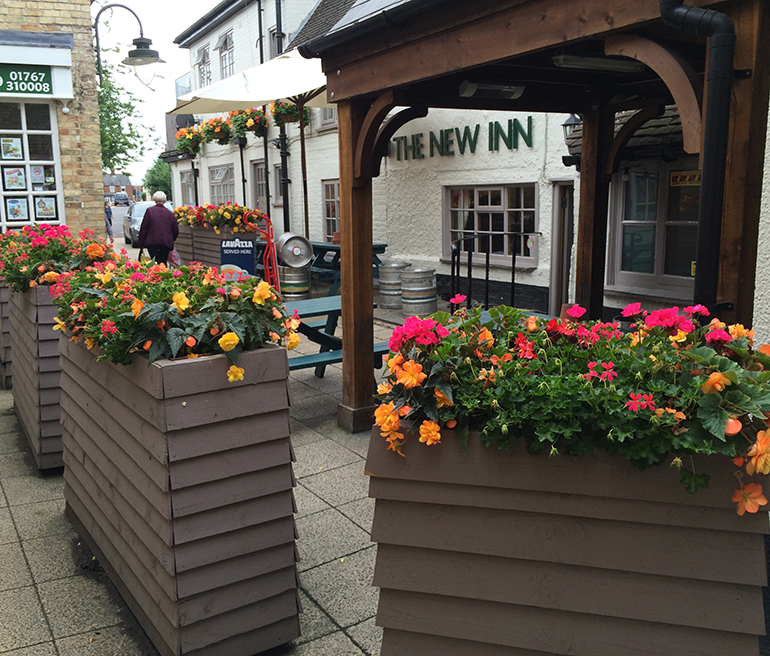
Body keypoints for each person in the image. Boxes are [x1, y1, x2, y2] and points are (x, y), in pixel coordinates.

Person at [137, 191, 178, 264]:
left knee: (155, 263)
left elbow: (144, 228)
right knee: (163, 262)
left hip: (152, 243)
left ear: (155, 200)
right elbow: (175, 230)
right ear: (165, 201)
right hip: (166, 243)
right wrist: (171, 239)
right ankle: (163, 273)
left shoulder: (149, 211)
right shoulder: (170, 214)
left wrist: (141, 243)